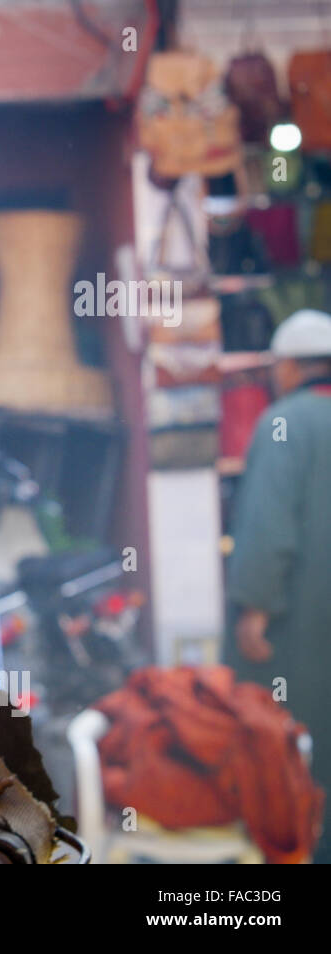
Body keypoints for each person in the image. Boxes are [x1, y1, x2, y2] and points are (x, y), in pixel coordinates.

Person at [226, 308, 331, 863]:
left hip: (301, 627)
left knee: (294, 742)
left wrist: (255, 609)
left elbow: (269, 527)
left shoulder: (284, 422)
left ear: (289, 367)